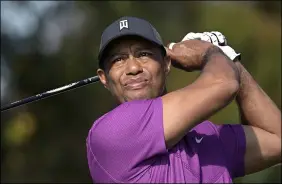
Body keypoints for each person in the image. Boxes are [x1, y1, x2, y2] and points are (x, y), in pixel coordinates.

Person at [86, 16, 281, 183]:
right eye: (118, 59)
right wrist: (210, 52)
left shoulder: (207, 135)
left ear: (166, 64)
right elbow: (224, 84)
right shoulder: (109, 133)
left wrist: (232, 61)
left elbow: (277, 139)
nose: (133, 68)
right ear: (104, 77)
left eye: (144, 54)